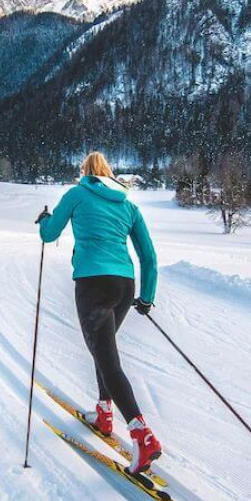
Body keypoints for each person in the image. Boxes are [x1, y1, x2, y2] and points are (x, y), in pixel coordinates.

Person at [36, 152, 162, 474]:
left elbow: (50, 235)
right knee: (103, 350)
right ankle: (104, 412)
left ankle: (141, 434)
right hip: (124, 285)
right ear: (109, 174)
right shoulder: (128, 205)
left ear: (86, 172)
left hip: (93, 285)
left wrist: (44, 220)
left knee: (106, 357)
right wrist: (146, 298)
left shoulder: (77, 194)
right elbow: (148, 256)